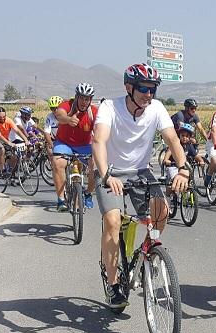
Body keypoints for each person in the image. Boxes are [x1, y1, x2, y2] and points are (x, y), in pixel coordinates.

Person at [93, 62, 190, 308]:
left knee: (162, 212)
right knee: (113, 221)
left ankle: (148, 251)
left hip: (140, 171)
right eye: (143, 89)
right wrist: (105, 175)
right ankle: (114, 286)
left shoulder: (156, 108)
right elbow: (99, 141)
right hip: (111, 172)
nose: (149, 95)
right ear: (129, 87)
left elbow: (172, 139)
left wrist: (183, 168)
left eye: (152, 90)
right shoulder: (109, 107)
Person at [53, 83, 98, 211]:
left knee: (95, 166)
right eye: (82, 98)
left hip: (84, 145)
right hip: (64, 143)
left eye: (87, 99)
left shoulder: (93, 112)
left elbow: (100, 127)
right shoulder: (66, 105)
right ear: (76, 97)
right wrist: (68, 120)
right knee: (58, 163)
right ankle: (61, 200)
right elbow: (60, 115)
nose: (84, 102)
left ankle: (88, 193)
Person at [0, 106, 28, 174]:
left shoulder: (8, 120)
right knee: (1, 149)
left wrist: (25, 139)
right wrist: (9, 143)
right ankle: (2, 169)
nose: (2, 118)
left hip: (4, 139)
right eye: (0, 117)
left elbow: (17, 130)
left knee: (14, 155)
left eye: (4, 116)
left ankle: (10, 172)